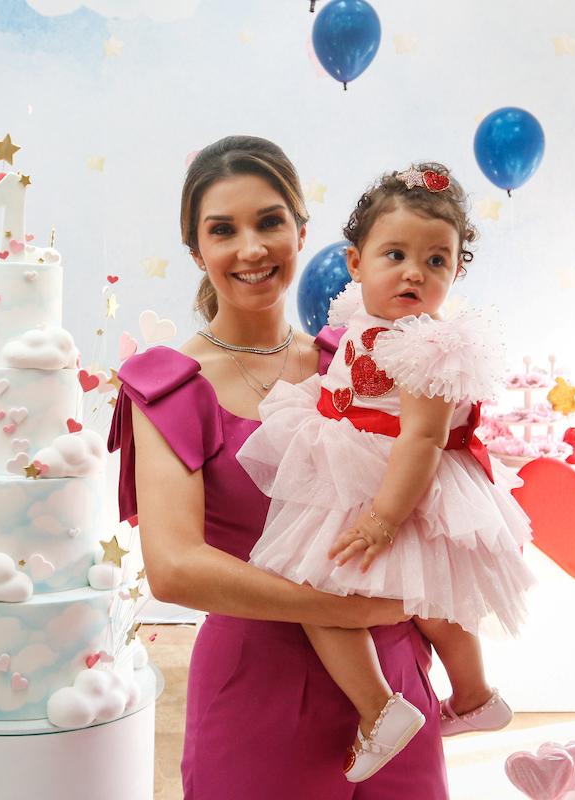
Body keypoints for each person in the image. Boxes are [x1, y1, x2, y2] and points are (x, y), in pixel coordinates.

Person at [108, 136, 449, 798]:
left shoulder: (352, 360)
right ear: (196, 251)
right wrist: (345, 611)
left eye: (268, 222)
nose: (251, 248)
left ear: (301, 230)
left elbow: (435, 484)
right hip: (258, 693)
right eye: (222, 230)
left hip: (396, 684)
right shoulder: (172, 386)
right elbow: (175, 568)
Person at [237, 164, 534, 781]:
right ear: (356, 262)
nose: (413, 272)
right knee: (431, 603)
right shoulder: (360, 320)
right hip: (355, 462)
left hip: (389, 483)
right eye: (394, 254)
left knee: (316, 590)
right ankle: (476, 696)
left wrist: (381, 519)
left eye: (435, 261)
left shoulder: (429, 345)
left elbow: (423, 438)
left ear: (455, 272)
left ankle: (381, 710)